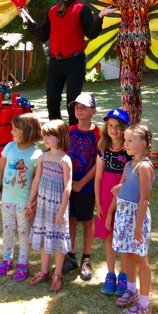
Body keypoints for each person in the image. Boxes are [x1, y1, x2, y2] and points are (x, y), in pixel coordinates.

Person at [23, 0, 117, 126]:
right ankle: (56, 136)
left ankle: (75, 138)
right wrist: (26, 19)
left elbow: (91, 33)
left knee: (73, 104)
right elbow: (42, 35)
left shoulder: (82, 9)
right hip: (55, 63)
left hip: (75, 61)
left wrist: (100, 16)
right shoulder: (52, 11)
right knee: (52, 101)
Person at [99, 0, 158, 124]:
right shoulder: (123, 1)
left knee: (137, 81)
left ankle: (136, 118)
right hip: (127, 44)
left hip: (141, 44)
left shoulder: (145, 0)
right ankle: (127, 115)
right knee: (128, 79)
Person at [106, 124, 154, 314]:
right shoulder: (129, 165)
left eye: (129, 140)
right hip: (122, 215)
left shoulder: (144, 167)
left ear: (142, 144)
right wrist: (110, 212)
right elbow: (123, 188)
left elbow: (144, 198)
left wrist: (138, 226)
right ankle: (132, 289)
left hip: (136, 217)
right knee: (125, 254)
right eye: (125, 140)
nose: (125, 144)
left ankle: (144, 303)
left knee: (140, 260)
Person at [0, 113, 43, 281]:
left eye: (16, 128)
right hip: (7, 199)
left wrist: (34, 201)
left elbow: (38, 179)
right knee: (8, 230)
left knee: (23, 232)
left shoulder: (37, 154)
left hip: (24, 201)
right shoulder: (9, 147)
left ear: (27, 131)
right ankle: (7, 259)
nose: (11, 131)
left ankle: (23, 262)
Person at [26, 119, 72, 292]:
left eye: (49, 135)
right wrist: (31, 201)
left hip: (58, 206)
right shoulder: (42, 157)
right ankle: (44, 271)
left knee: (58, 240)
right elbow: (37, 179)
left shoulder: (65, 160)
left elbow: (68, 186)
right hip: (44, 205)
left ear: (59, 137)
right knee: (45, 236)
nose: (44, 138)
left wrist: (62, 210)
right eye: (44, 135)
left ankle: (57, 273)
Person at [63, 93, 100, 281]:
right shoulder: (69, 131)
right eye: (76, 106)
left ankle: (86, 257)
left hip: (86, 186)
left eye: (84, 106)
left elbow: (98, 163)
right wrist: (69, 183)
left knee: (87, 220)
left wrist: (82, 182)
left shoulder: (98, 134)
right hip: (69, 185)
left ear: (93, 111)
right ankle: (71, 255)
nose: (79, 109)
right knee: (70, 219)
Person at [94, 108, 131, 296]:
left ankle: (124, 275)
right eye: (110, 126)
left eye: (118, 126)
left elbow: (128, 180)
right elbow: (98, 179)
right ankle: (110, 274)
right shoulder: (102, 150)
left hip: (124, 198)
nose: (114, 130)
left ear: (125, 129)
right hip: (105, 196)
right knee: (108, 237)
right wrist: (99, 204)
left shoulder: (129, 152)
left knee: (122, 237)